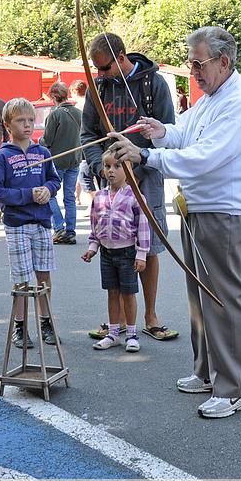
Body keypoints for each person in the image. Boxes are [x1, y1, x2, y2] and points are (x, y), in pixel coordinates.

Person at [109, 26, 241, 419]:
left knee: (224, 299)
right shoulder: (213, 96)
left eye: (199, 64)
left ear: (224, 62)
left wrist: (146, 157)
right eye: (191, 63)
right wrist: (159, 132)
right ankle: (207, 371)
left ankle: (234, 388)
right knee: (200, 296)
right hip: (200, 207)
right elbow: (187, 133)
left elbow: (207, 156)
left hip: (225, 211)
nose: (193, 71)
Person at [80, 32, 178, 342]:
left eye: (105, 68)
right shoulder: (98, 88)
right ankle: (118, 320)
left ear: (121, 58)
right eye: (96, 69)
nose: (100, 75)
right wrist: (103, 167)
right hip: (111, 180)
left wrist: (139, 159)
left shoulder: (153, 84)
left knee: (147, 246)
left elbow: (167, 133)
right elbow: (88, 136)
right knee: (113, 244)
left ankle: (149, 316)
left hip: (146, 176)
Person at [0, 98, 62, 349]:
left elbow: (54, 180)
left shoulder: (42, 152)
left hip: (41, 222)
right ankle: (20, 327)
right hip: (17, 223)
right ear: (8, 124)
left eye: (31, 120)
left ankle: (46, 322)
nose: (28, 125)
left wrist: (47, 190)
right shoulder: (3, 156)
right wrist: (26, 195)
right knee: (21, 278)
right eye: (21, 121)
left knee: (44, 275)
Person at [81, 149, 150, 353]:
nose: (111, 171)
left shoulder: (135, 196)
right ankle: (113, 333)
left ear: (128, 168)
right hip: (107, 253)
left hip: (128, 252)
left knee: (128, 294)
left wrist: (141, 254)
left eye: (117, 166)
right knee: (112, 293)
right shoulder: (99, 197)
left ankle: (131, 334)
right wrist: (92, 248)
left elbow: (143, 226)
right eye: (107, 166)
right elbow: (95, 226)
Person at [39, 82, 82, 245]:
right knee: (69, 197)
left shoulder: (54, 115)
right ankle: (70, 231)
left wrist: (38, 141)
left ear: (54, 96)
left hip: (57, 161)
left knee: (49, 194)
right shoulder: (79, 113)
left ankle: (59, 228)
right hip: (75, 160)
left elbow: (47, 140)